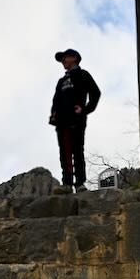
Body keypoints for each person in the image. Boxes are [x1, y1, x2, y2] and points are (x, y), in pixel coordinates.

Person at [49, 48, 100, 192]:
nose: (63, 61)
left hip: (76, 120)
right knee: (64, 152)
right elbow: (56, 100)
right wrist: (53, 114)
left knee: (77, 151)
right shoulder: (61, 81)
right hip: (62, 122)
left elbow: (95, 93)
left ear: (74, 58)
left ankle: (79, 183)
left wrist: (85, 109)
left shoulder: (83, 75)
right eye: (62, 59)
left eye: (65, 58)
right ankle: (67, 183)